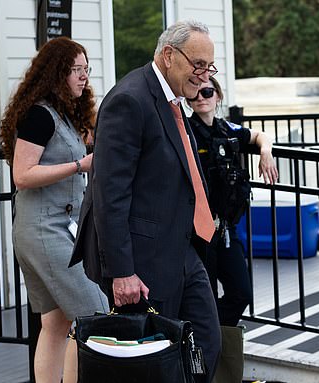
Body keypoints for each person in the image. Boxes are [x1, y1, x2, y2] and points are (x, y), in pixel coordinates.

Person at [70, 20, 221, 382]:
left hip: (183, 248)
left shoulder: (172, 100)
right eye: (198, 65)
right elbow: (109, 193)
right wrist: (122, 271)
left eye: (209, 67)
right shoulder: (129, 99)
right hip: (141, 261)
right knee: (152, 361)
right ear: (169, 56)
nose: (204, 77)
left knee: (206, 342)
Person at [0, 37, 108, 383]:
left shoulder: (63, 115)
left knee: (56, 322)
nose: (84, 76)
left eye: (86, 69)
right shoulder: (39, 116)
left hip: (48, 231)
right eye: (77, 69)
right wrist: (79, 165)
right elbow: (22, 175)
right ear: (57, 73)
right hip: (45, 231)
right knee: (95, 315)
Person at [186, 77, 278, 326]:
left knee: (241, 293)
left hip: (227, 228)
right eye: (194, 93)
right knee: (205, 297)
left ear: (218, 96)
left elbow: (261, 135)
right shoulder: (185, 132)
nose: (201, 97)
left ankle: (216, 339)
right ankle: (206, 351)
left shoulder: (228, 129)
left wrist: (265, 152)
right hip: (199, 232)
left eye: (206, 91)